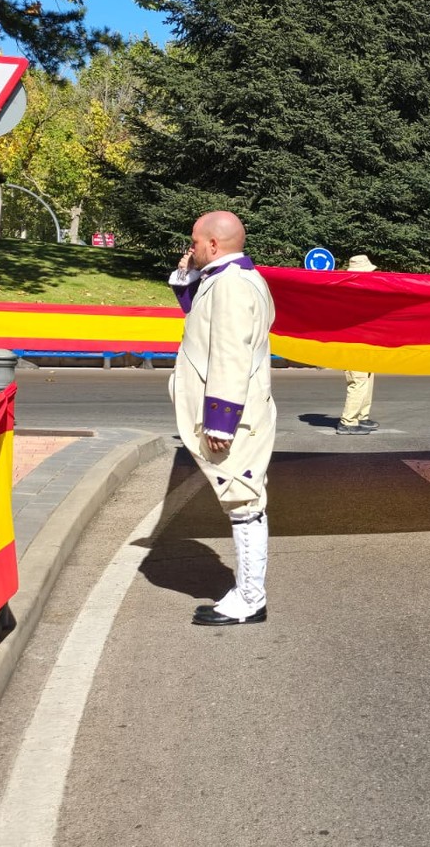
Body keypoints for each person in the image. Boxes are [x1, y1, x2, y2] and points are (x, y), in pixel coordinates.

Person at [168, 211, 276, 627]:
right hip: (245, 411)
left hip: (237, 416)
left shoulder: (231, 284)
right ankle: (246, 592)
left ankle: (250, 598)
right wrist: (186, 276)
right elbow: (201, 318)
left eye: (193, 242)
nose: (189, 249)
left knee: (244, 502)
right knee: (243, 501)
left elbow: (231, 353)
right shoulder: (235, 276)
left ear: (213, 245)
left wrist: (220, 422)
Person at [337, 254, 381, 435]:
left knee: (368, 378)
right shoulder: (347, 293)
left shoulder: (361, 290)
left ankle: (362, 416)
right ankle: (347, 421)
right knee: (359, 380)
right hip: (352, 343)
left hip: (364, 341)